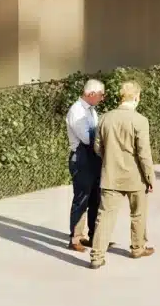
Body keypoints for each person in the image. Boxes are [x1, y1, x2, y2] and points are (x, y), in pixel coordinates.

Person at [89, 81, 155, 269]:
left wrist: (109, 159)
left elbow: (97, 147)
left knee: (105, 216)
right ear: (136, 97)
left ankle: (96, 257)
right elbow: (144, 154)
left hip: (110, 175)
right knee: (138, 213)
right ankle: (137, 248)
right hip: (135, 177)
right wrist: (150, 177)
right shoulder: (140, 120)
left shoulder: (104, 118)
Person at [66, 78, 105, 251]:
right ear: (91, 94)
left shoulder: (91, 110)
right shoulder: (77, 111)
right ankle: (75, 239)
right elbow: (87, 138)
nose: (102, 98)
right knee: (82, 199)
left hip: (93, 158)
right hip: (81, 159)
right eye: (101, 95)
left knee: (95, 198)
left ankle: (93, 236)